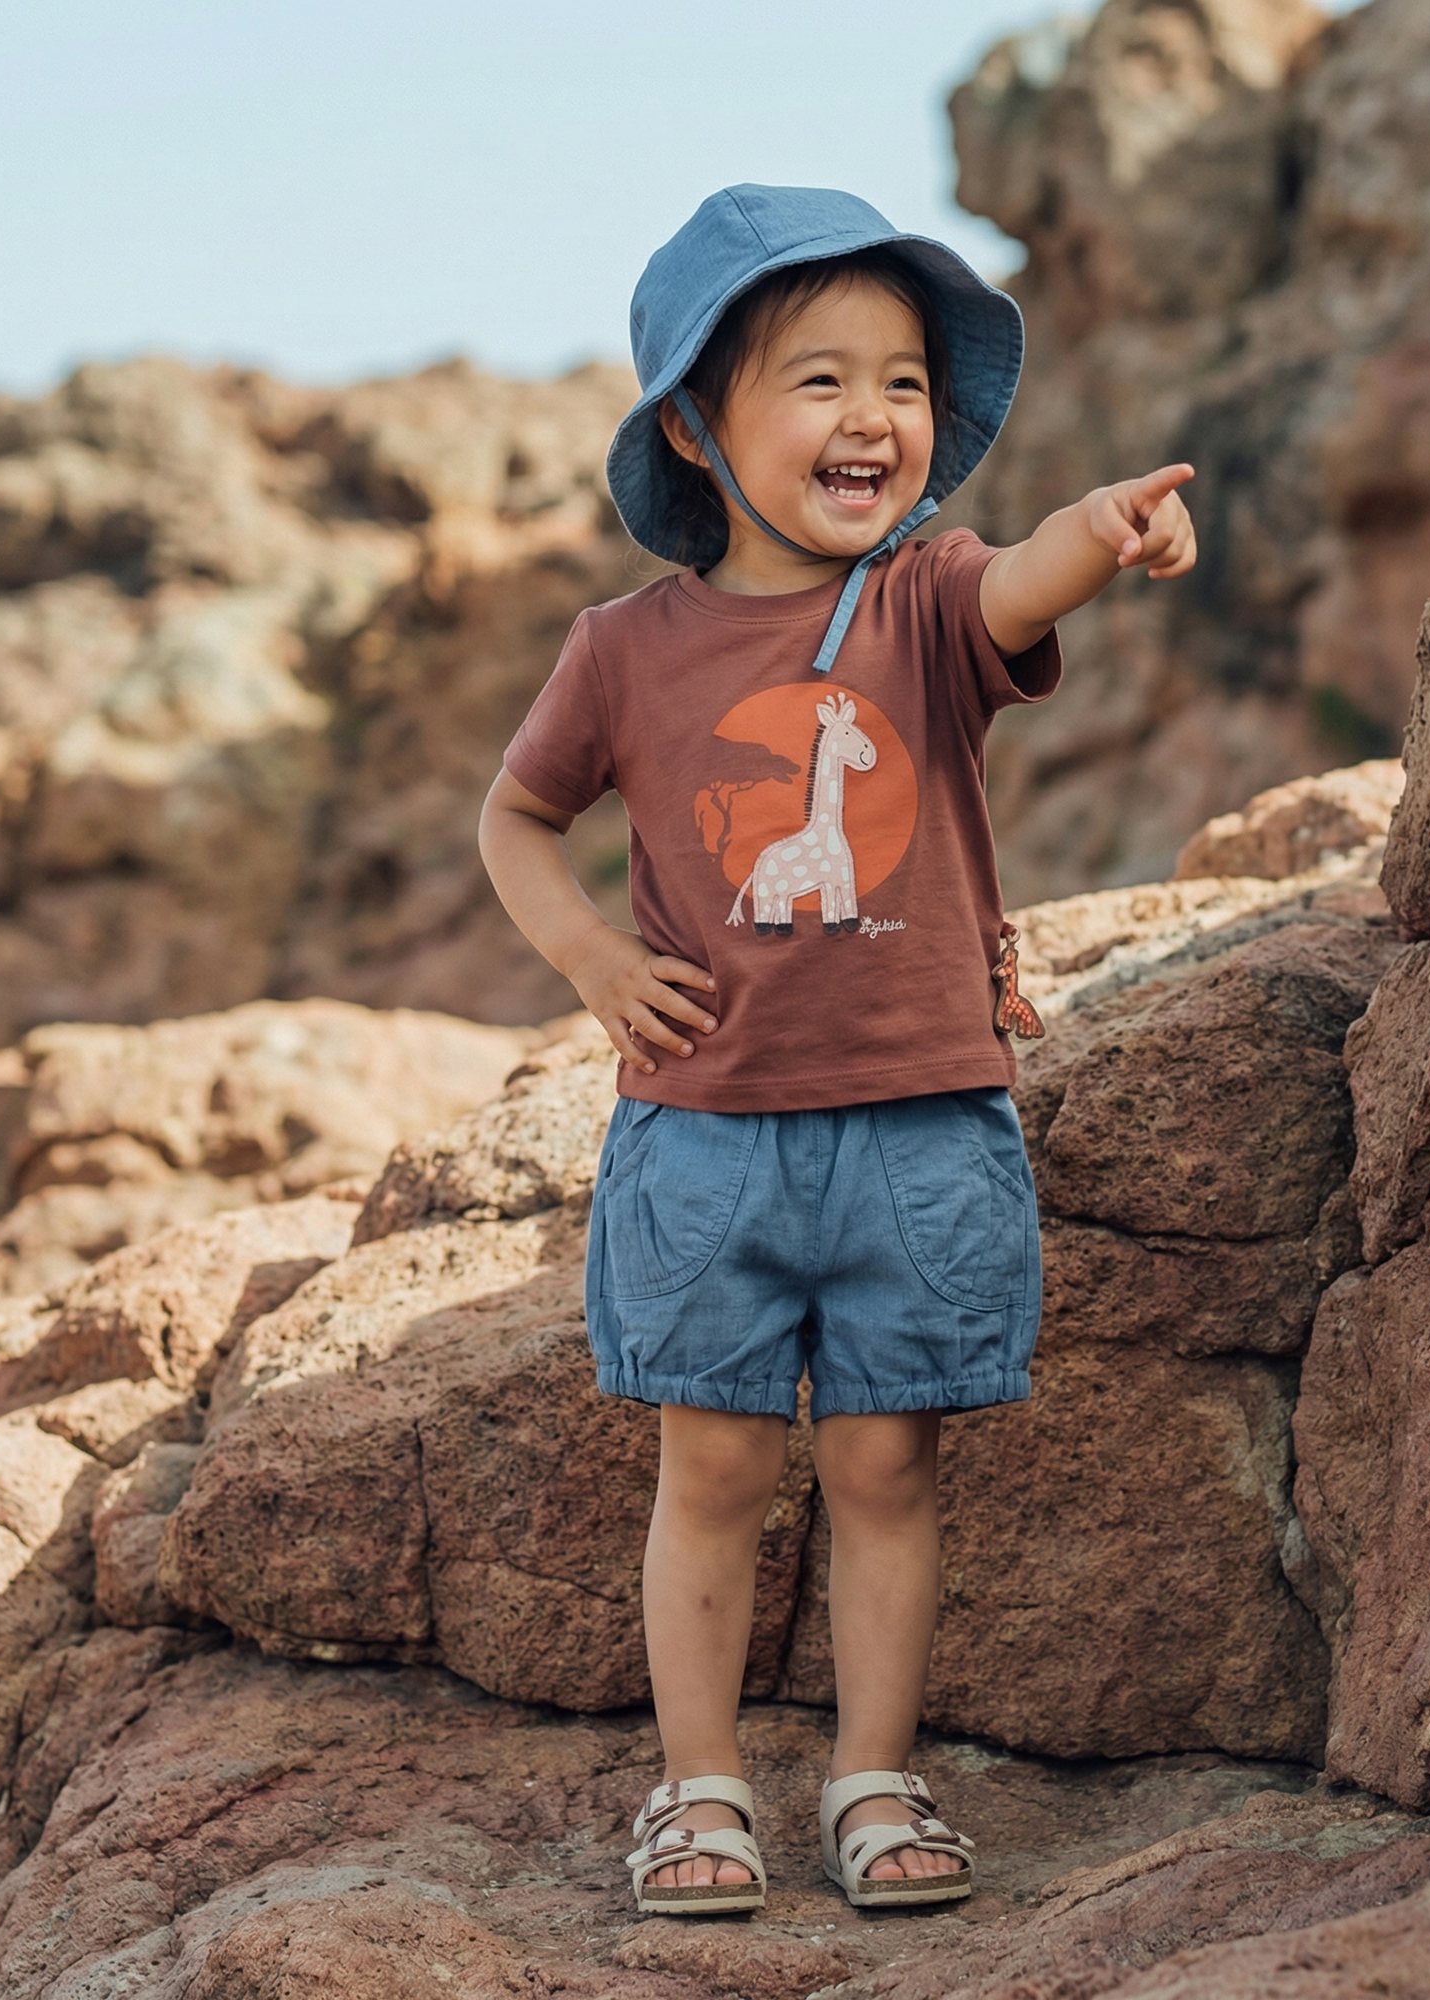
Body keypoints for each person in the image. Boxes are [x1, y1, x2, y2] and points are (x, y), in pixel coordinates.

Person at [478, 185, 1196, 1917]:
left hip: (924, 1125)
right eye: (816, 380)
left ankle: (874, 1777)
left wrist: (1100, 527)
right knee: (710, 1461)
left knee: (889, 1459)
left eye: (901, 381)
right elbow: (517, 817)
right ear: (693, 427)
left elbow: (1028, 579)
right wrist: (591, 958)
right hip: (707, 1132)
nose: (870, 416)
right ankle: (702, 1789)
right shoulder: (623, 650)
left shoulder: (934, 602)